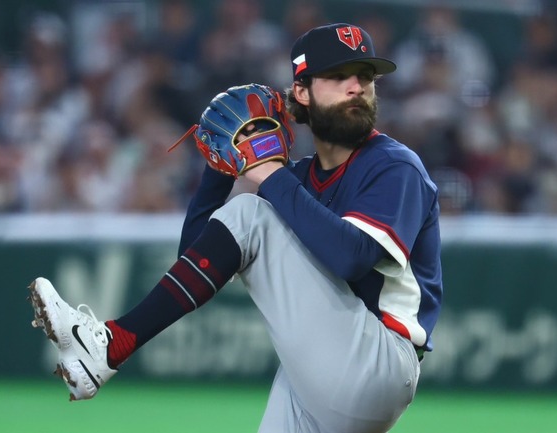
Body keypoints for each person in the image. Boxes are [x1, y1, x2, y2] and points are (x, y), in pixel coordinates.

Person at [28, 23, 443, 433]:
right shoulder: (296, 180)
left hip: (379, 361)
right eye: (338, 76)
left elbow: (352, 258)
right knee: (247, 213)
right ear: (302, 92)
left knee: (250, 212)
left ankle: (111, 344)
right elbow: (195, 257)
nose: (357, 86)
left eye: (366, 76)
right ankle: (106, 348)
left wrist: (269, 174)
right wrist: (218, 169)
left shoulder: (394, 166)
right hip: (321, 371)